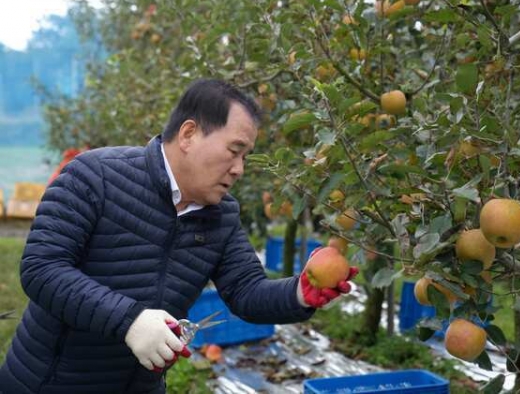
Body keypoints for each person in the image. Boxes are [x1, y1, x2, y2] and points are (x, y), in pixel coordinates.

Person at [0, 78, 358, 394]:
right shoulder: (95, 177)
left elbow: (246, 292)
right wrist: (130, 320)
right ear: (189, 135)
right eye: (234, 151)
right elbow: (42, 269)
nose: (239, 169)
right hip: (48, 383)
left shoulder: (221, 214)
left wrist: (300, 293)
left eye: (246, 157)